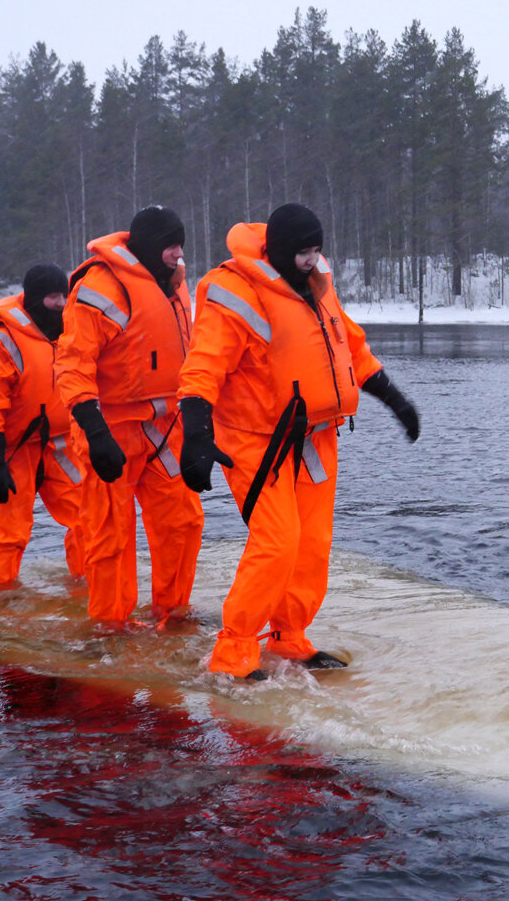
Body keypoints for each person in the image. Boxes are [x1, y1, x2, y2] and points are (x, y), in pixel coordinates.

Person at [178, 203, 420, 680]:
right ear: (282, 250)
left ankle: (289, 637)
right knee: (277, 541)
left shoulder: (317, 284)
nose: (311, 260)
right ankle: (234, 650)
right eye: (303, 252)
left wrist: (394, 399)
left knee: (312, 544)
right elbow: (203, 366)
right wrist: (196, 434)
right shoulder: (234, 291)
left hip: (314, 435)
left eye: (317, 250)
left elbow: (350, 346)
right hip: (254, 440)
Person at [55, 206, 205, 626]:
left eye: (181, 245)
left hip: (163, 428)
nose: (179, 254)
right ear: (152, 246)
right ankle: (110, 626)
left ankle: (172, 613)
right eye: (172, 246)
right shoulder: (101, 286)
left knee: (183, 523)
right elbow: (72, 364)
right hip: (109, 430)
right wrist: (94, 430)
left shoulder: (175, 285)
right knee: (110, 534)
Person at [0, 264, 86, 585]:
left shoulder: (68, 330)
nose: (62, 303)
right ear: (35, 298)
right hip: (13, 451)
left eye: (64, 295)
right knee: (10, 533)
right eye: (53, 297)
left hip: (61, 445)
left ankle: (90, 591)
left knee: (89, 518)